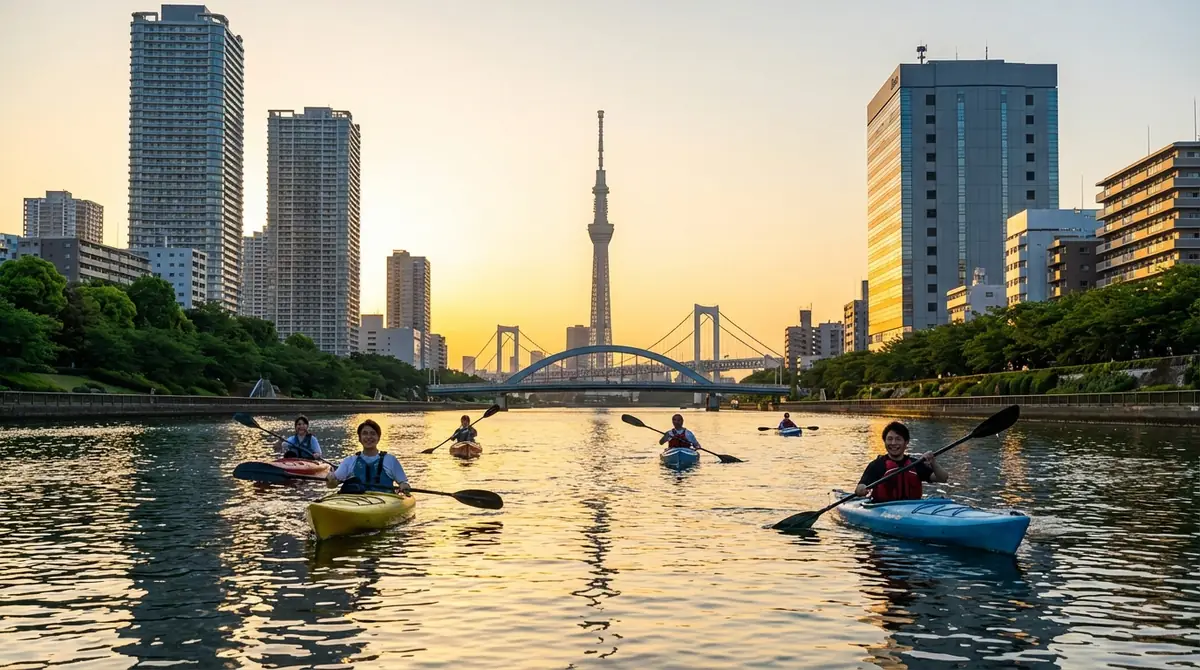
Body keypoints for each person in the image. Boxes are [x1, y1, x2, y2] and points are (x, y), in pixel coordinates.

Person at [854, 421, 948, 503]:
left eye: (898, 439)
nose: (893, 443)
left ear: (906, 442)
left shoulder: (915, 464)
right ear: (884, 441)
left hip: (911, 509)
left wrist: (933, 462)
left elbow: (943, 478)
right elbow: (860, 487)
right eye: (890, 439)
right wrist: (861, 490)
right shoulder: (876, 465)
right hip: (883, 509)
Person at [327, 419, 412, 494]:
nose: (368, 437)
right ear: (359, 439)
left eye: (373, 434)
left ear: (378, 438)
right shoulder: (349, 461)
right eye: (365, 433)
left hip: (385, 501)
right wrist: (330, 479)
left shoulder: (390, 460)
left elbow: (403, 483)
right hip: (357, 501)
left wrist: (404, 486)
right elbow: (332, 485)